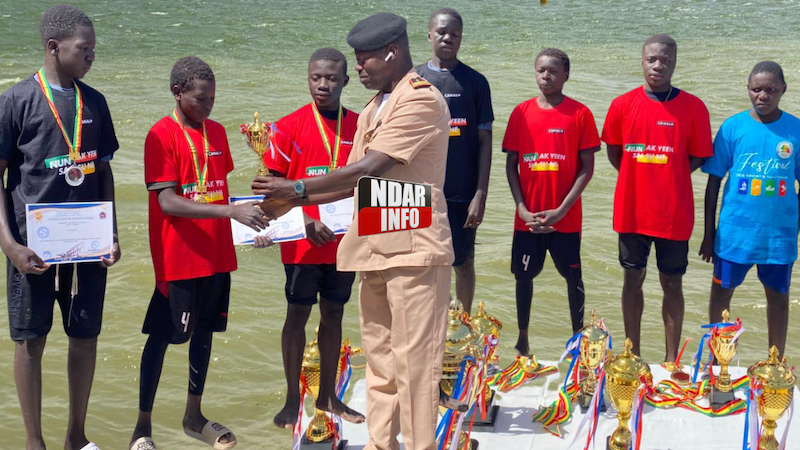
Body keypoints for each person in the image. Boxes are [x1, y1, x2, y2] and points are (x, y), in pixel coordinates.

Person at [252, 13, 457, 450]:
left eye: (365, 60)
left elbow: (369, 168)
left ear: (393, 52)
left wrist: (295, 187)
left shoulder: (419, 99)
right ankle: (382, 444)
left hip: (416, 248)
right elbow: (352, 182)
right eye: (357, 60)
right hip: (375, 245)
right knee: (380, 363)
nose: (358, 68)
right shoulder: (375, 105)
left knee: (416, 369)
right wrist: (280, 206)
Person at [129, 56, 269, 450]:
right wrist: (231, 211)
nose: (209, 105)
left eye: (213, 98)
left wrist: (256, 223)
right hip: (178, 258)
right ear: (178, 93)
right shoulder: (161, 135)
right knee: (163, 336)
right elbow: (169, 202)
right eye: (201, 98)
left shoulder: (219, 133)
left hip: (217, 254)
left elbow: (215, 190)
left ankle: (194, 416)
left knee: (204, 333)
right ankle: (143, 427)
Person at [0, 5, 121, 450]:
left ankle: (76, 435)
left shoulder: (96, 101)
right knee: (31, 341)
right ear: (54, 48)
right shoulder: (16, 101)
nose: (91, 56)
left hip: (88, 243)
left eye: (92, 49)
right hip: (33, 247)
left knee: (85, 337)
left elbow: (104, 172)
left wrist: (112, 235)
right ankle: (35, 441)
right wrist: (10, 245)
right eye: (83, 48)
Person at [262, 48, 364, 429]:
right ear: (307, 77)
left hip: (345, 241)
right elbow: (272, 192)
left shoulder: (359, 125)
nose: (322, 85)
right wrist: (306, 218)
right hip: (302, 243)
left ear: (345, 81)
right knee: (297, 315)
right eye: (315, 78)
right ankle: (292, 398)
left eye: (332, 78)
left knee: (334, 313)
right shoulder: (286, 127)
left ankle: (328, 395)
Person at [602, 34, 713, 362]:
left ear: (674, 63)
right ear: (642, 60)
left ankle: (670, 361)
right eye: (652, 59)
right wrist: (639, 176)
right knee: (632, 279)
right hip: (632, 210)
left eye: (665, 60)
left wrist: (670, 174)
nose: (658, 65)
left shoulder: (693, 107)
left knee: (673, 284)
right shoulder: (622, 105)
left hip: (674, 213)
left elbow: (697, 157)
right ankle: (631, 355)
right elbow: (614, 151)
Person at [503, 48, 599, 356]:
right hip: (528, 218)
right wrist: (521, 208)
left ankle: (578, 338)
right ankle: (523, 339)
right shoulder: (521, 113)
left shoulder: (580, 114)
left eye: (553, 71)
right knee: (523, 278)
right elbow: (511, 164)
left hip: (565, 219)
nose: (546, 75)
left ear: (566, 75)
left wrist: (562, 210)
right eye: (541, 70)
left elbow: (587, 168)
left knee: (573, 277)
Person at [699, 61, 798, 357]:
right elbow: (714, 183)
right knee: (720, 294)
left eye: (770, 90)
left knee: (778, 298)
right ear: (748, 89)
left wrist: (795, 232)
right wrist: (709, 233)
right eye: (757, 89)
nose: (763, 96)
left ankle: (774, 363)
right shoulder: (733, 127)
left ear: (783, 90)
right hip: (734, 235)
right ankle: (720, 362)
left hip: (778, 238)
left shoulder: (795, 130)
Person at [415, 7, 493, 314]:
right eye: (442, 32)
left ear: (461, 38)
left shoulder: (475, 82)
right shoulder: (414, 79)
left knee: (463, 262)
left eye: (455, 34)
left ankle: (463, 327)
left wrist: (480, 194)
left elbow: (485, 141)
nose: (448, 38)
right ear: (430, 35)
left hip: (462, 193)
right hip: (420, 193)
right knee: (424, 263)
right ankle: (429, 321)